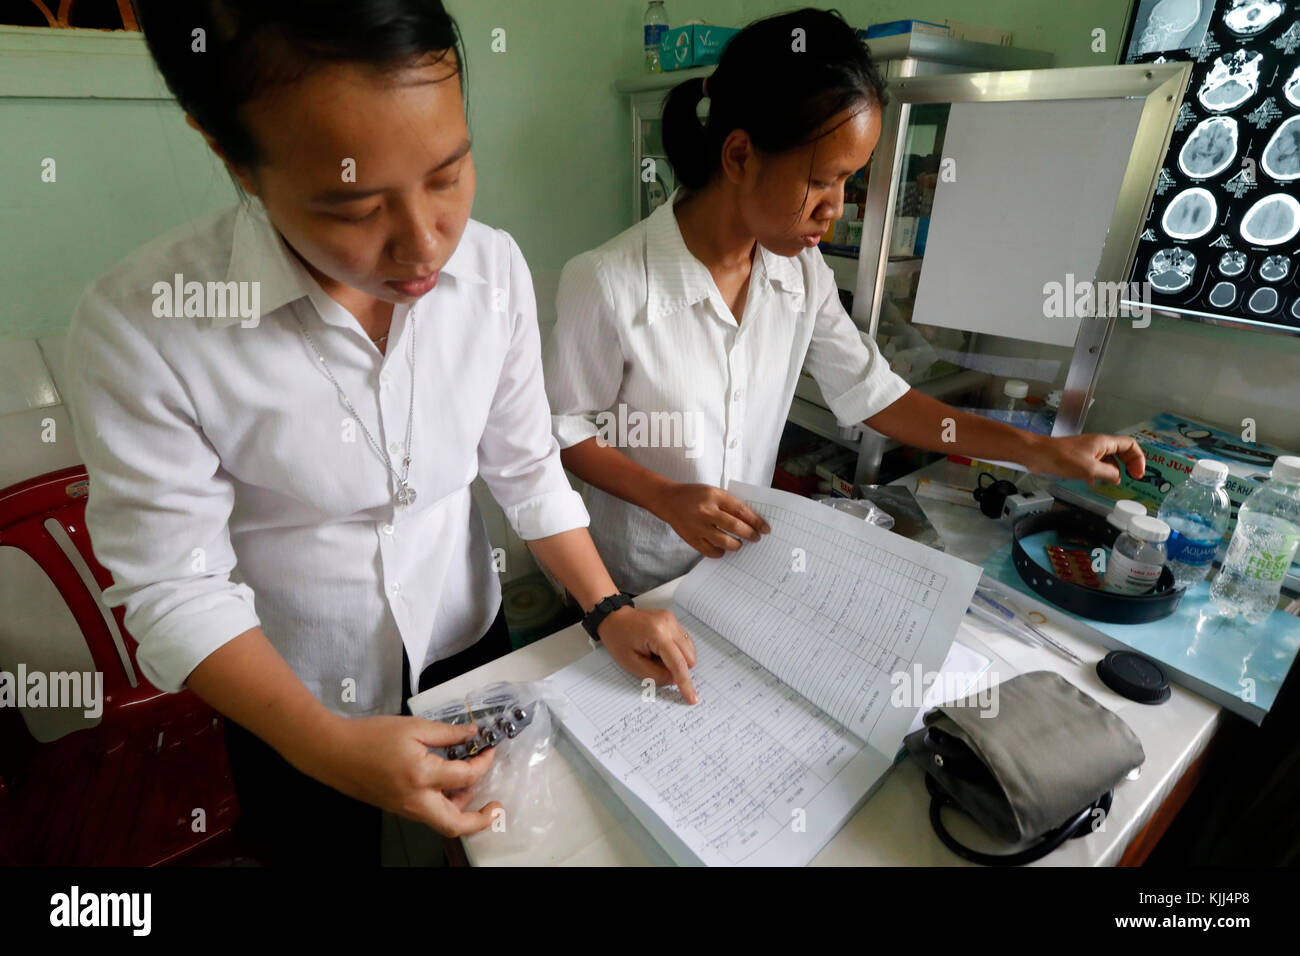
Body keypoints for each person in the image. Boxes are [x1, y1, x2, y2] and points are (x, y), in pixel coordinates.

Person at [63, 0, 697, 866]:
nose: (425, 245)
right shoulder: (146, 323)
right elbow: (175, 584)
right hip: (293, 688)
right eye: (354, 207)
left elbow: (525, 466)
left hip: (463, 642)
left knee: (492, 846)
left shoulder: (494, 269)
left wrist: (606, 606)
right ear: (232, 157)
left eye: (448, 174)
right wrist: (324, 745)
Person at [544, 8, 1147, 596]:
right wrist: (664, 496)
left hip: (732, 573)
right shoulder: (608, 281)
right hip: (633, 579)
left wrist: (1040, 451)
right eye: (822, 179)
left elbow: (876, 397)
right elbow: (568, 432)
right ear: (738, 156)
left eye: (849, 181)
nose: (837, 207)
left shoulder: (799, 273)